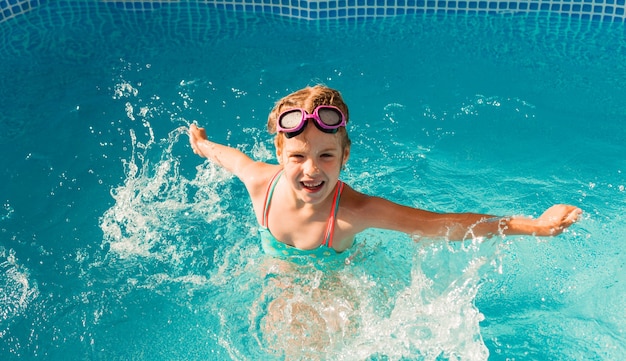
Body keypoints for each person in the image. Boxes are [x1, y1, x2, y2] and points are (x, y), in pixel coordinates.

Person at [188, 85, 581, 258]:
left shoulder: (354, 212)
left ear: (345, 157)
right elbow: (230, 158)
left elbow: (439, 224)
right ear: (279, 152)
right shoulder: (261, 182)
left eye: (326, 156)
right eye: (297, 157)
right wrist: (203, 145)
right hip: (273, 268)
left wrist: (533, 226)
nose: (311, 170)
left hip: (333, 282)